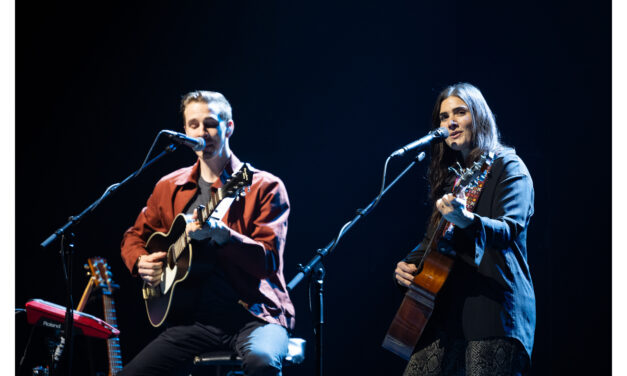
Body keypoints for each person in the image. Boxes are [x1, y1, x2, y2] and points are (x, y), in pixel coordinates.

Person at [119, 90, 295, 376]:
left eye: (211, 123)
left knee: (261, 362)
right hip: (195, 320)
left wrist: (224, 235)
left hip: (256, 316)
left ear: (229, 127)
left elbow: (269, 261)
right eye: (193, 125)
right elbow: (134, 236)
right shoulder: (169, 185)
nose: (203, 132)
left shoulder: (264, 186)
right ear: (185, 130)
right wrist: (140, 261)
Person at [393, 83, 535, 375]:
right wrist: (407, 264)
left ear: (479, 117)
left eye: (460, 112)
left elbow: (509, 229)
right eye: (443, 117)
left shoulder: (509, 167)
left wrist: (466, 220)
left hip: (493, 312)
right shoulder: (454, 181)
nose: (450, 123)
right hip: (444, 314)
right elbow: (433, 241)